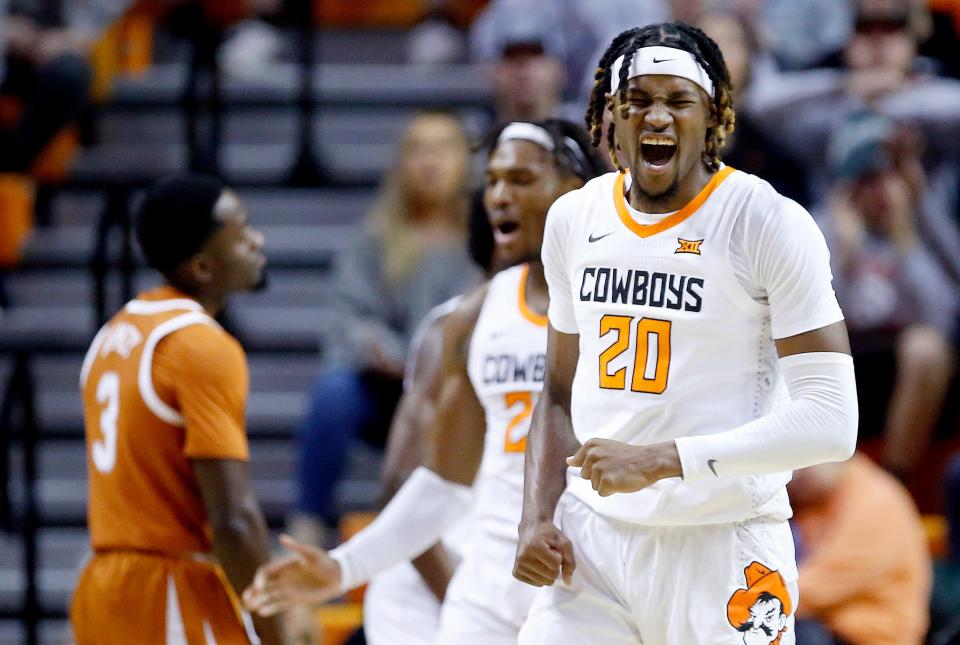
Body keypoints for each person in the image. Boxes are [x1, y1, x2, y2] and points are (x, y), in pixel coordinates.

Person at [512, 22, 858, 644]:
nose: (657, 117)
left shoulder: (767, 221)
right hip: (591, 544)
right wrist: (536, 516)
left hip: (723, 543)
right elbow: (559, 393)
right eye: (638, 100)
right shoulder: (573, 218)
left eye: (678, 101)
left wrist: (663, 461)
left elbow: (832, 422)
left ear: (714, 118)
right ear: (609, 119)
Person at [243, 119, 608, 644]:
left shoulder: (626, 305)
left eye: (521, 180)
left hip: (587, 582)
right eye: (493, 180)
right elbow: (439, 483)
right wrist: (343, 567)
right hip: (487, 585)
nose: (500, 196)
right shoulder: (473, 317)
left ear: (574, 189)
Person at [70, 175, 282, 644]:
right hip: (169, 590)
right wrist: (275, 629)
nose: (256, 239)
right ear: (203, 268)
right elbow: (233, 518)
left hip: (103, 586)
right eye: (241, 231)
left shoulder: (111, 336)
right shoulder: (200, 346)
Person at [290, 110, 481, 545]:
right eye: (417, 150)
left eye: (442, 149)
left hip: (458, 387)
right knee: (333, 394)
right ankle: (308, 523)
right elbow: (348, 317)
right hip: (386, 386)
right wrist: (386, 352)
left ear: (463, 161)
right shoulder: (373, 236)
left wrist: (433, 363)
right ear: (401, 164)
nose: (430, 161)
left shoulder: (483, 236)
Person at [822, 111, 957, 479]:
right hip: (844, 371)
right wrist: (843, 259)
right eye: (869, 178)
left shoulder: (925, 231)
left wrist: (905, 244)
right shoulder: (819, 228)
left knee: (926, 347)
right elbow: (808, 324)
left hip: (907, 378)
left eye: (890, 176)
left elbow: (942, 319)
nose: (883, 189)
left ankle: (895, 482)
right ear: (848, 187)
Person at [789, 455, 931, 645]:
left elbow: (820, 587)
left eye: (801, 462)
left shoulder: (875, 502)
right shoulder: (813, 495)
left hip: (869, 637)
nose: (795, 474)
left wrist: (751, 599)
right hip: (825, 622)